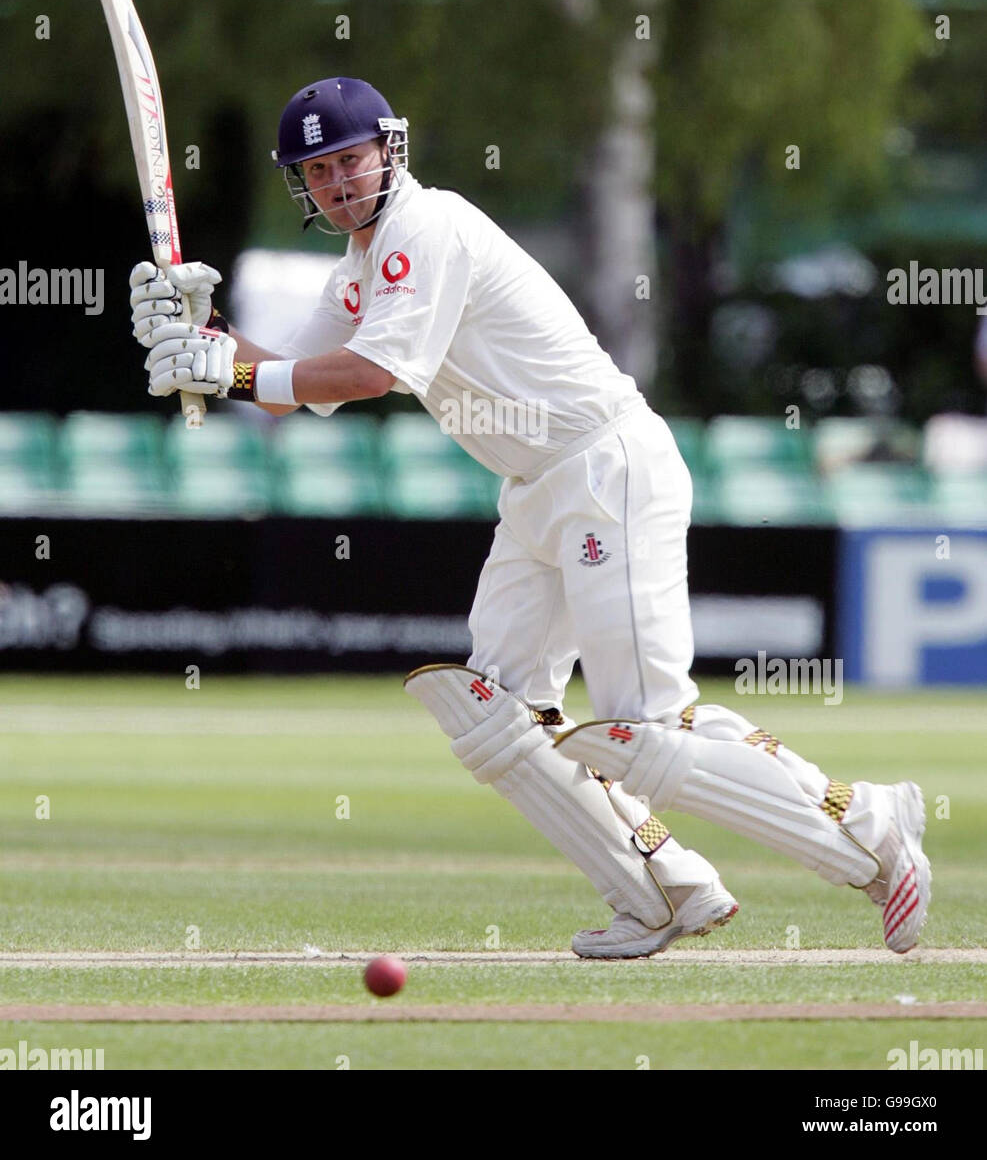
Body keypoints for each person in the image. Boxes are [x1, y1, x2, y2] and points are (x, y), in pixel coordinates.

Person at [129, 76, 930, 957]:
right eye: (316, 173)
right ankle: (662, 887)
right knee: (493, 712)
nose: (337, 183)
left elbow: (365, 376)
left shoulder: (423, 232)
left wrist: (231, 373)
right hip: (536, 488)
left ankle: (866, 826)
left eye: (349, 161)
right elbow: (290, 381)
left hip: (602, 465)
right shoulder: (362, 267)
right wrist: (203, 334)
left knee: (642, 731)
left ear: (389, 150)